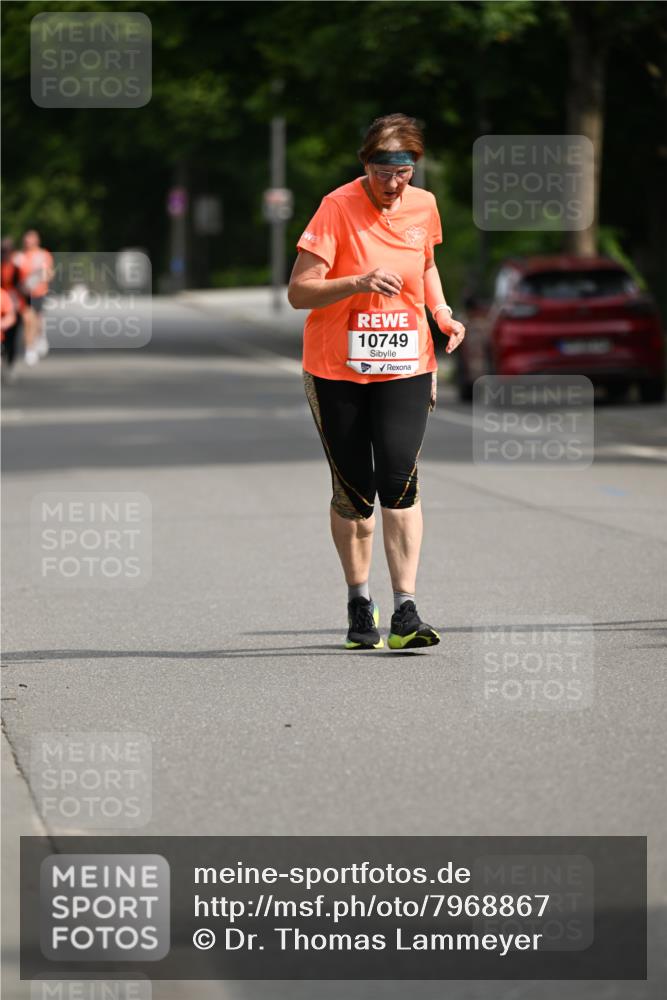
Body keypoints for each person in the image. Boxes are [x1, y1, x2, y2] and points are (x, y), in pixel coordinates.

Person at [288, 113, 465, 651]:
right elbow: (299, 291)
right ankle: (359, 599)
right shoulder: (336, 207)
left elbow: (426, 264)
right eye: (384, 172)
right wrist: (358, 282)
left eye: (404, 172)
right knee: (355, 494)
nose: (394, 183)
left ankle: (405, 611)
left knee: (399, 479)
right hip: (335, 367)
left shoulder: (424, 205)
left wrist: (441, 313)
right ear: (366, 164)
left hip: (408, 362)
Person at [15, 229, 54, 366]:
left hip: (39, 292)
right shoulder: (19, 256)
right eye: (26, 240)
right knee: (28, 320)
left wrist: (39, 276)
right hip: (24, 294)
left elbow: (49, 274)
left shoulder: (43, 255)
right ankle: (30, 349)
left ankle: (40, 336)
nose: (28, 243)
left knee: (38, 319)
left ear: (37, 241)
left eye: (30, 240)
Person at [1, 237, 25, 382]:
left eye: (7, 251)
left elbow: (22, 288)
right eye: (3, 251)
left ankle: (10, 364)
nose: (5, 254)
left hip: (14, 307)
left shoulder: (17, 269)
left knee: (12, 338)